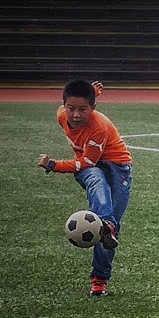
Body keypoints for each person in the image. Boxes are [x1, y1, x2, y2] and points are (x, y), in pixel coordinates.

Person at [36, 79, 133, 297]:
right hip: (90, 168)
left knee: (111, 224)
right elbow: (88, 166)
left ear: (93, 108)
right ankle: (105, 226)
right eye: (71, 108)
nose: (76, 115)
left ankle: (100, 278)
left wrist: (54, 165)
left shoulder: (99, 127)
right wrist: (91, 94)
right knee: (97, 182)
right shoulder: (61, 115)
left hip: (118, 167)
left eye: (83, 109)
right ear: (64, 106)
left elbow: (87, 161)